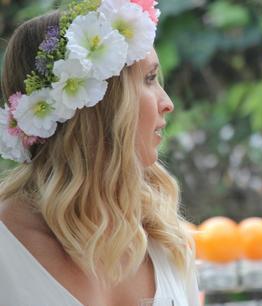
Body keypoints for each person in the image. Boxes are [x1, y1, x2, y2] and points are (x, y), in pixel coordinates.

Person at [0, 0, 200, 305]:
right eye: (148, 79)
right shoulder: (6, 249)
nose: (167, 102)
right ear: (97, 106)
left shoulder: (167, 241)